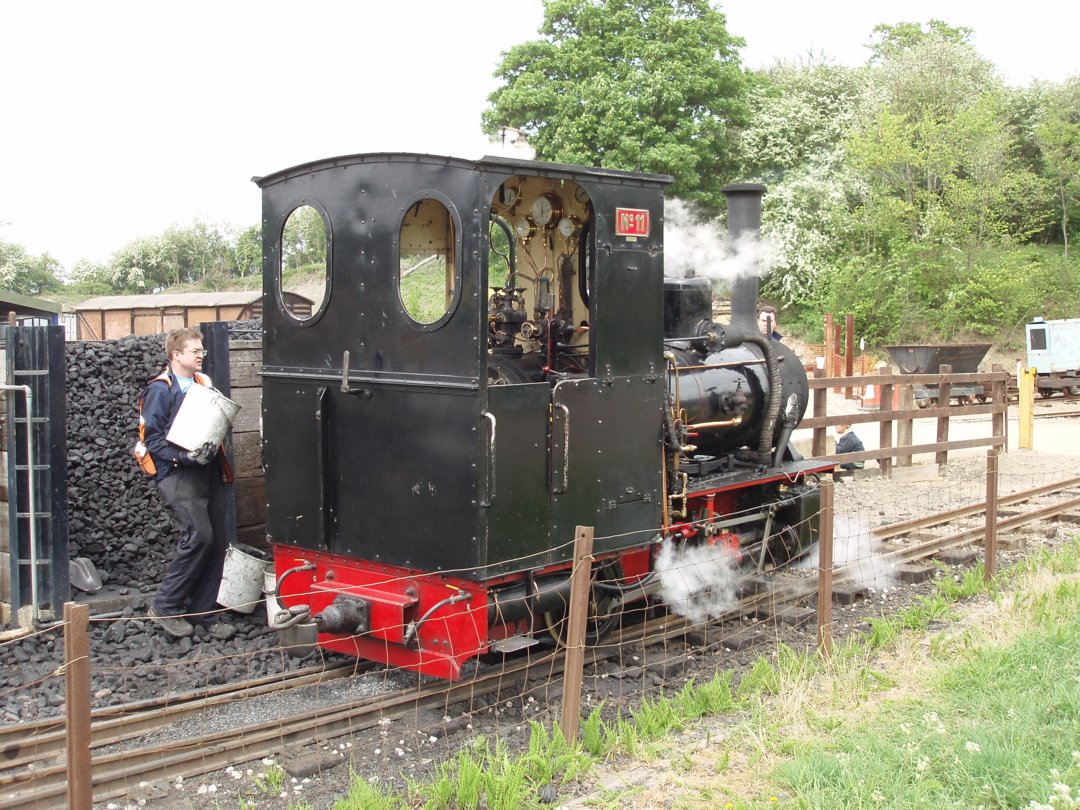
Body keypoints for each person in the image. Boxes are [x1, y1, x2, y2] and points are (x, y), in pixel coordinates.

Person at [140, 327, 236, 640]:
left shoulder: (203, 383)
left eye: (201, 350)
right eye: (194, 351)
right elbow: (151, 439)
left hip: (208, 472)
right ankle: (165, 606)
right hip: (178, 474)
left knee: (218, 542)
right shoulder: (160, 389)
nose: (200, 355)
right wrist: (183, 457)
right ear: (176, 355)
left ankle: (204, 614)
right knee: (200, 535)